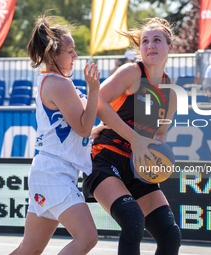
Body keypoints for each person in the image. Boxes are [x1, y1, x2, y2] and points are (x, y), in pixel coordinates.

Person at [83, 17, 181, 255]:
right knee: (132, 219)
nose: (150, 45)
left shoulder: (170, 93)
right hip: (106, 158)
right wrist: (134, 138)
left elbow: (159, 136)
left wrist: (158, 162)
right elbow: (97, 103)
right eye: (145, 41)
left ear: (170, 47)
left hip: (138, 167)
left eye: (157, 40)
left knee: (171, 235)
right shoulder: (132, 72)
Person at [8, 15, 101, 255]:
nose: (75, 56)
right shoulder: (59, 83)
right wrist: (93, 91)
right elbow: (81, 127)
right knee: (87, 237)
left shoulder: (52, 81)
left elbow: (74, 130)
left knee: (28, 250)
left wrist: (96, 131)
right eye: (70, 51)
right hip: (54, 173)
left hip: (50, 172)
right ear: (52, 55)